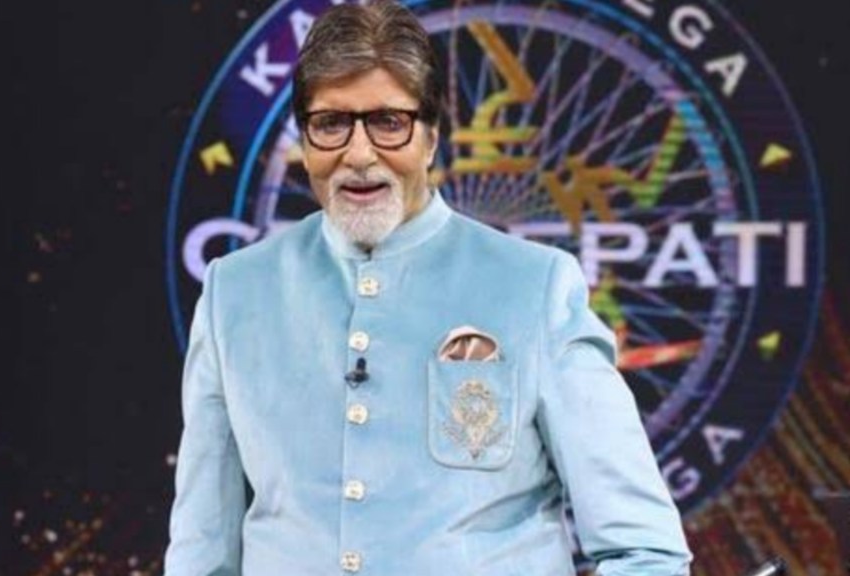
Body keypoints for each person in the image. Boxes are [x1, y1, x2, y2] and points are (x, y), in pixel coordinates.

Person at [163, 1, 693, 574]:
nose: (359, 154)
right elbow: (200, 555)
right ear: (305, 139)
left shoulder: (535, 288)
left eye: (389, 122)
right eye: (331, 123)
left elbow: (647, 552)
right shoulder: (235, 293)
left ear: (431, 136)